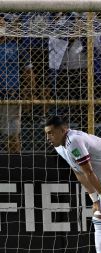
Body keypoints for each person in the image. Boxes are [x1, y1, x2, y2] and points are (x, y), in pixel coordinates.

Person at [44, 115, 101, 253]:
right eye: (46, 133)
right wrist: (95, 199)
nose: (48, 137)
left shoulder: (74, 141)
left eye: (51, 133)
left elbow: (89, 172)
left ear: (63, 130)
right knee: (98, 218)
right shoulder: (59, 146)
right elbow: (78, 172)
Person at [0, 15, 36, 153]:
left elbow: (29, 72)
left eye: (1, 23)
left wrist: (30, 91)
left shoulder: (16, 47)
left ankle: (15, 165)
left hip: (10, 96)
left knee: (11, 135)